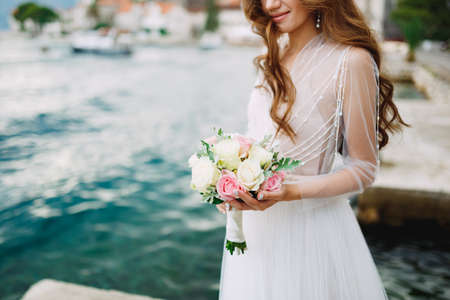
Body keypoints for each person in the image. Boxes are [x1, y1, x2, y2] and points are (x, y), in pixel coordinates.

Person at [215, 0, 410, 299]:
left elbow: (364, 169)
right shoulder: (270, 57)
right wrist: (231, 183)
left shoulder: (351, 61)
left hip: (311, 236)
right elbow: (262, 138)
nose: (271, 4)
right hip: (257, 235)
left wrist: (291, 191)